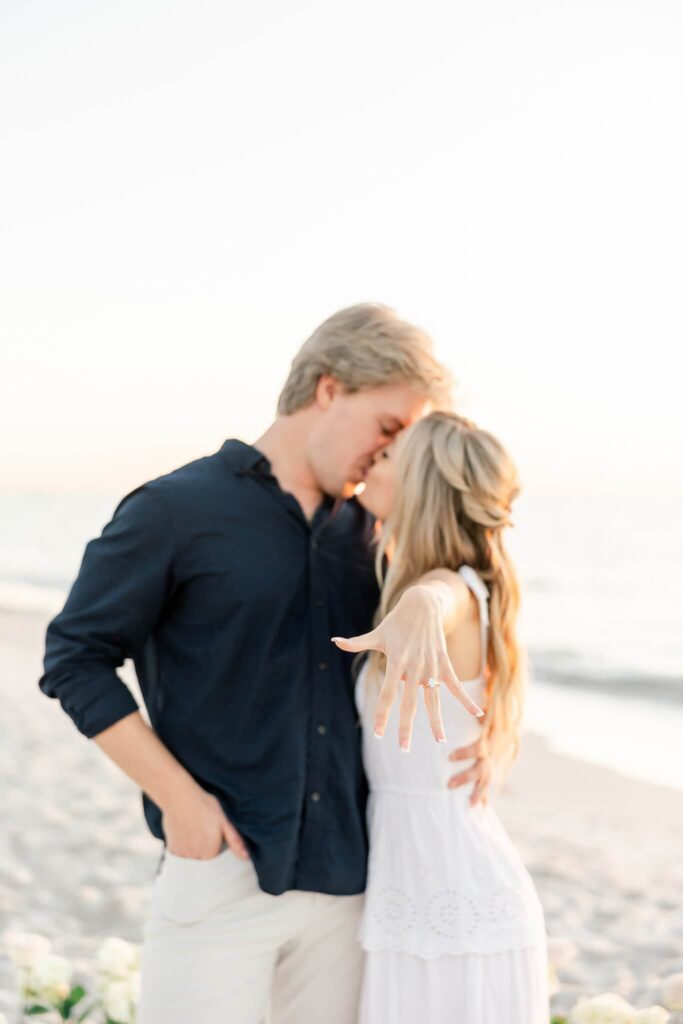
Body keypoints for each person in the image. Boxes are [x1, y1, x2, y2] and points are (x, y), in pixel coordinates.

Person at [37, 303, 491, 1024]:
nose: (389, 454)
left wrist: (486, 732)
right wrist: (181, 803)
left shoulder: (375, 530)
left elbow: (468, 598)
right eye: (388, 427)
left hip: (350, 887)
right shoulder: (175, 509)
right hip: (220, 874)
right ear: (329, 388)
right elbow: (74, 658)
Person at [332, 410, 550, 1023]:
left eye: (387, 457)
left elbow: (442, 599)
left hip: (460, 907)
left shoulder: (449, 590)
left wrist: (422, 605)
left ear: (420, 486)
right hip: (416, 891)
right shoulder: (421, 583)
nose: (371, 461)